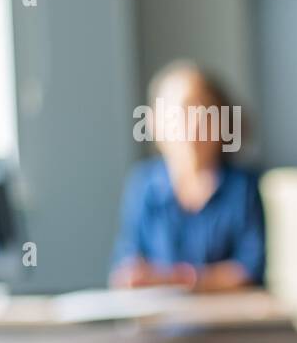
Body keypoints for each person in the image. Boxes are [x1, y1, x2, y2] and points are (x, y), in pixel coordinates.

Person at [109, 60, 265, 291]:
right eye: (178, 114)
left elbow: (249, 270)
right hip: (160, 323)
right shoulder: (143, 185)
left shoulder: (243, 188)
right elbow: (125, 267)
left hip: (228, 322)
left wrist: (173, 280)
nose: (192, 126)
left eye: (203, 113)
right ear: (153, 124)